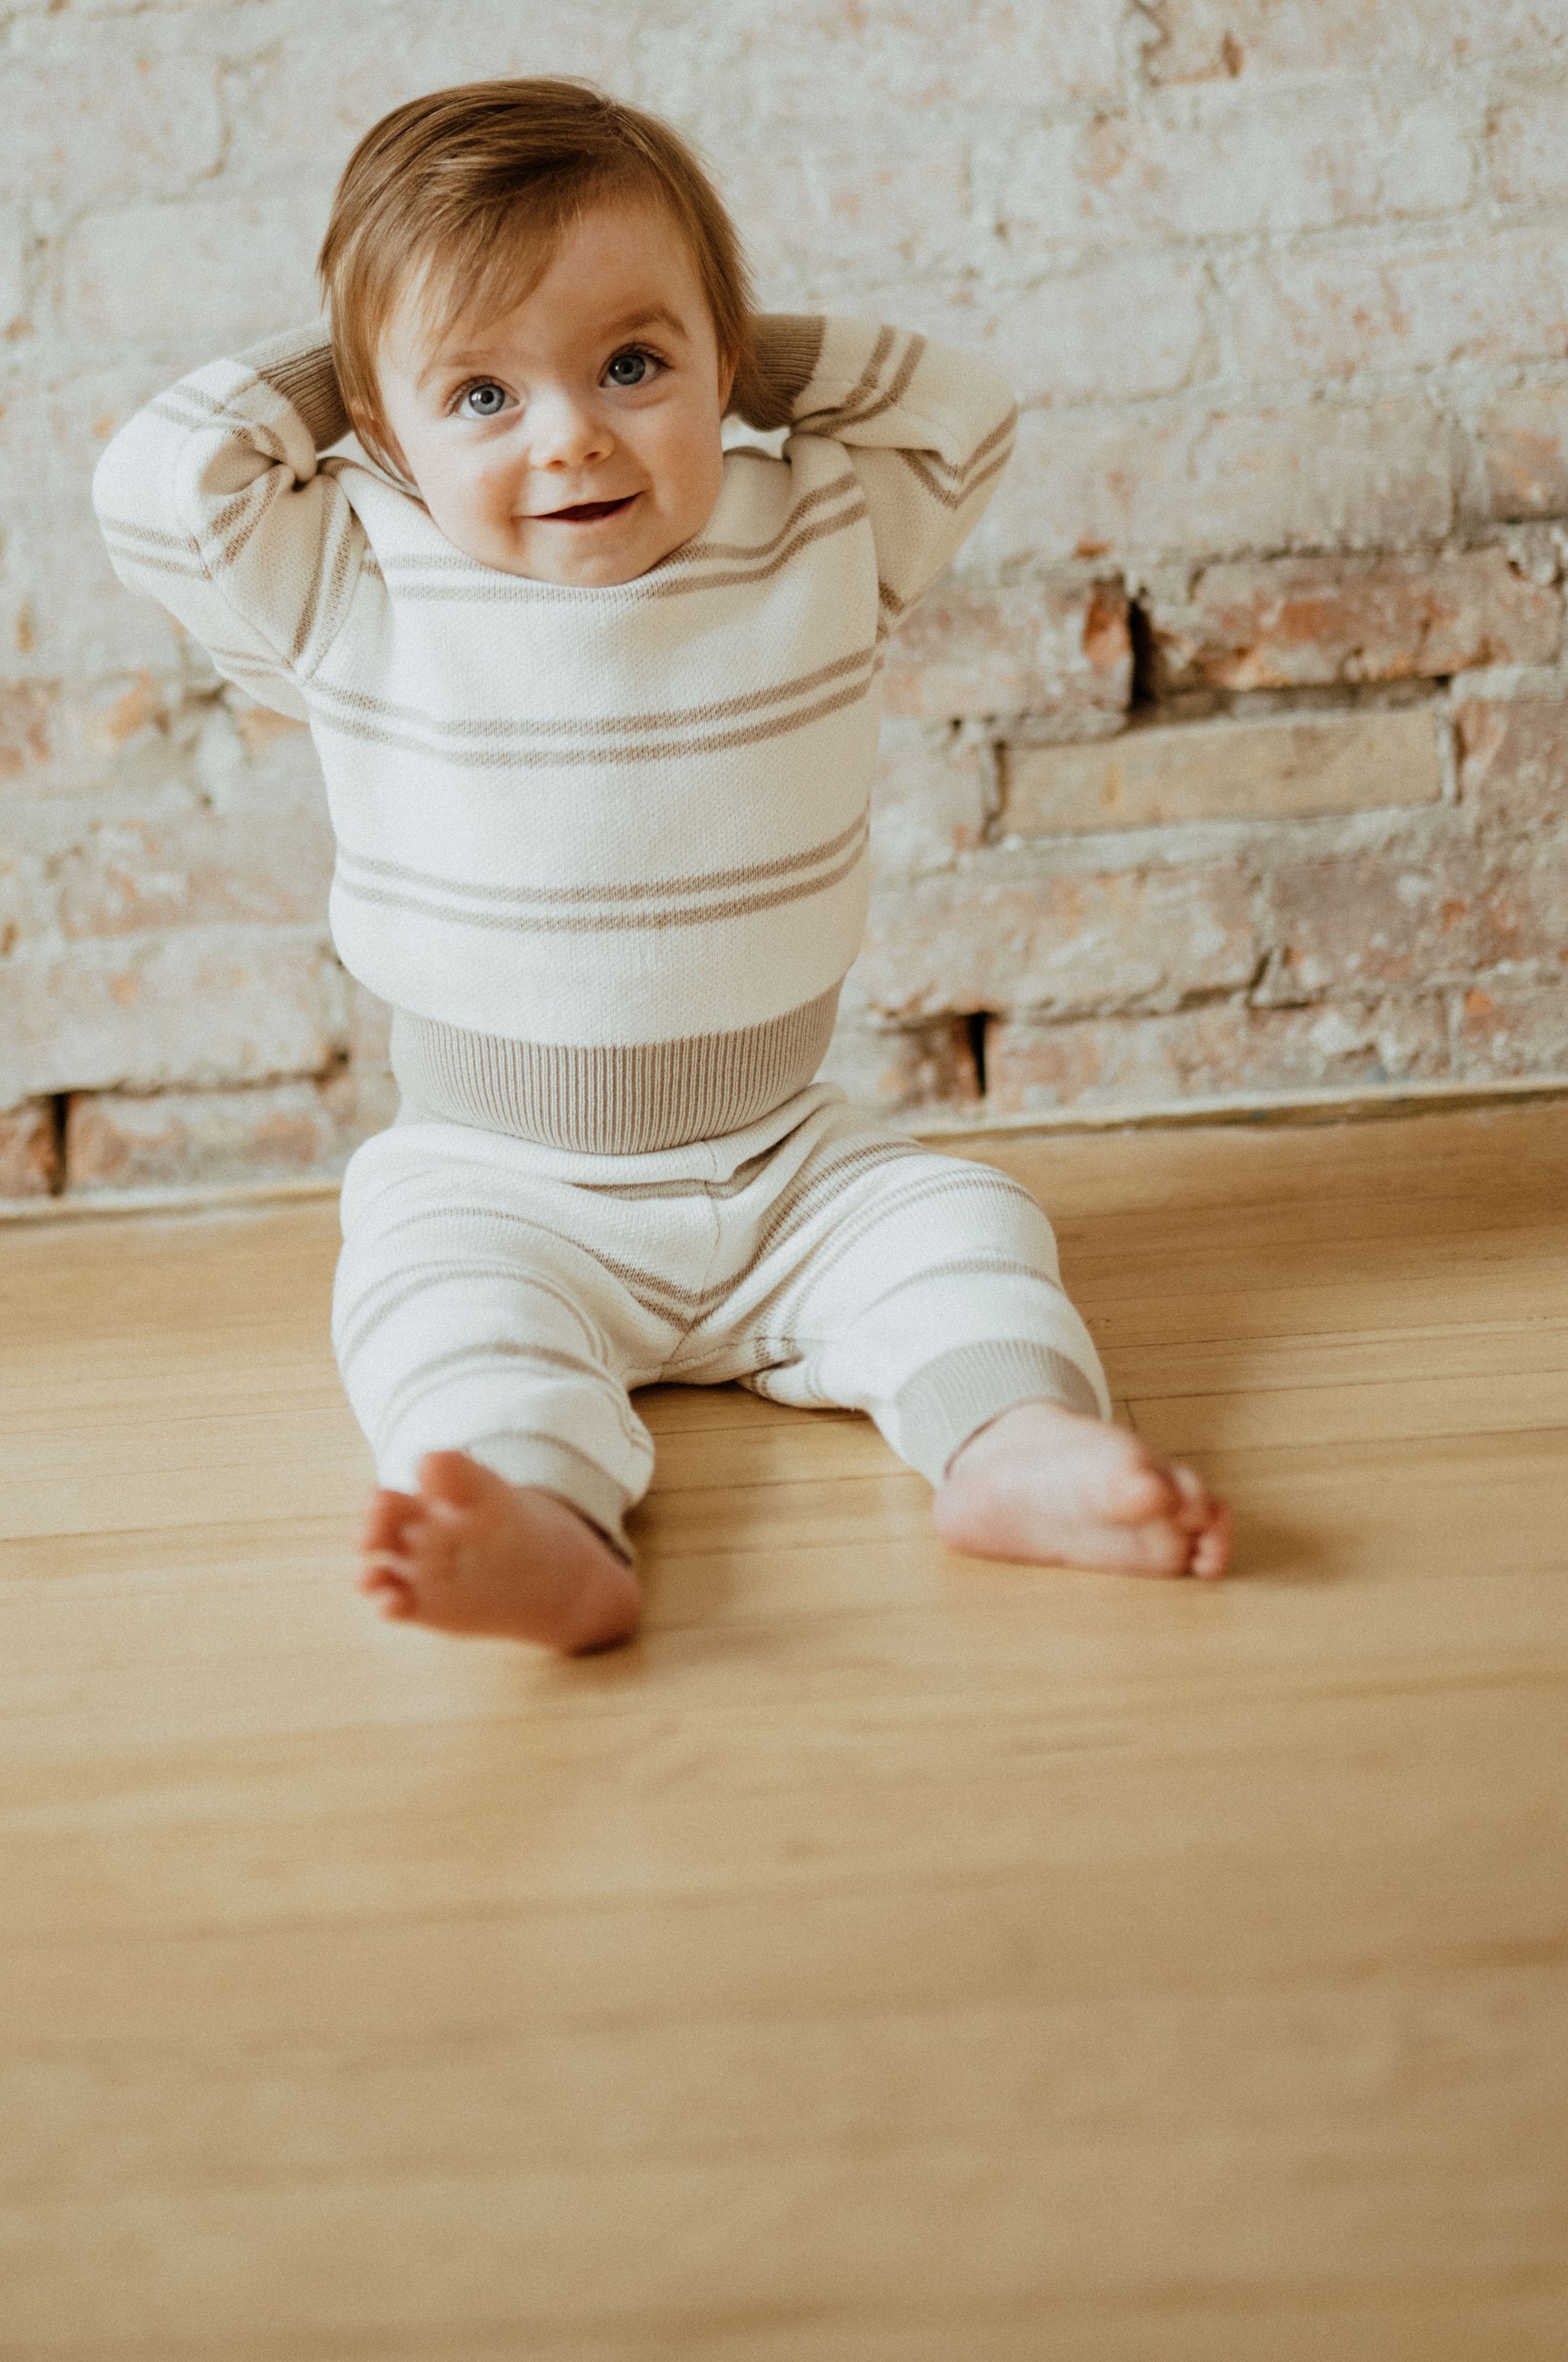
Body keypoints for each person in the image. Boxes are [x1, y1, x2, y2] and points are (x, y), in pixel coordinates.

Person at [94, 81, 1231, 1650]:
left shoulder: (822, 522)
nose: (572, 434)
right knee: (434, 1318)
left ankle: (1009, 1447)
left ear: (720, 359)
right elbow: (155, 482)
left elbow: (961, 406)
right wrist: (366, 362)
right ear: (383, 427)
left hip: (791, 1165)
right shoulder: (359, 571)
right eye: (482, 394)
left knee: (964, 1235)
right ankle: (541, 1525)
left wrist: (729, 345)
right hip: (499, 1182)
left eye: (633, 363)